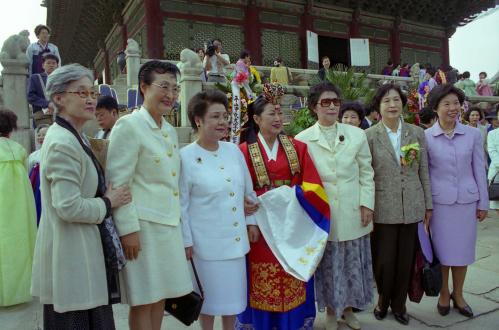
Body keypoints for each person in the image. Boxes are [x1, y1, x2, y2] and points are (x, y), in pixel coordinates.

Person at [31, 64, 132, 329]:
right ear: (58, 98)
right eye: (81, 92)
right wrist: (109, 202)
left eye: (93, 92)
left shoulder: (77, 136)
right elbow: (68, 206)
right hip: (71, 254)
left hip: (83, 250)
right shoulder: (62, 143)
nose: (90, 99)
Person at [106, 60, 194, 330]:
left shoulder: (168, 130)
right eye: (163, 86)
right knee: (143, 300)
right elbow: (119, 183)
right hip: (142, 228)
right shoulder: (129, 126)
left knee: (161, 297)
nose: (170, 95)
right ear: (144, 88)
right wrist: (128, 229)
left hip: (168, 226)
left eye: (175, 89)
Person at [236, 84, 323, 330]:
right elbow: (239, 191)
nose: (278, 118)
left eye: (280, 112)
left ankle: (293, 323)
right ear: (256, 118)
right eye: (271, 113)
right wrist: (249, 219)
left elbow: (313, 186)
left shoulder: (298, 148)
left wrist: (291, 198)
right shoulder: (243, 151)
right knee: (262, 276)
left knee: (291, 270)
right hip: (260, 227)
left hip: (292, 223)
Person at [295, 82, 375, 330]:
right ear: (313, 107)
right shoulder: (302, 139)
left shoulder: (357, 134)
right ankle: (330, 310)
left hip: (353, 208)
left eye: (335, 102)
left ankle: (349, 310)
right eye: (325, 102)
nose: (331, 106)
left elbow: (366, 172)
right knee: (329, 265)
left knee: (352, 263)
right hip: (323, 213)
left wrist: (367, 204)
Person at [180, 90, 259, 330]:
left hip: (234, 243)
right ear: (198, 120)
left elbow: (249, 192)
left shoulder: (233, 151)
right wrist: (186, 241)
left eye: (225, 116)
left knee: (233, 302)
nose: (223, 122)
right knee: (208, 303)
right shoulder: (185, 157)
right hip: (205, 245)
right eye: (215, 117)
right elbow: (181, 204)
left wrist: (252, 220)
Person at [365, 83, 432, 326]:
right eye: (386, 101)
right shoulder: (370, 136)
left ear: (402, 103)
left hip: (412, 205)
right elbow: (366, 174)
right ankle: (383, 300)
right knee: (383, 261)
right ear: (378, 108)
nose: (392, 105)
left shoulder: (416, 133)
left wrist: (428, 205)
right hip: (382, 206)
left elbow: (423, 170)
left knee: (406, 260)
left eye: (396, 100)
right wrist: (367, 208)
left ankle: (400, 305)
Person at [425, 84, 488, 318]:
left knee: (462, 252)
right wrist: (426, 206)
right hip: (440, 205)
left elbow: (479, 170)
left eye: (456, 103)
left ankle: (458, 294)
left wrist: (483, 202)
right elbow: (425, 173)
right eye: (447, 104)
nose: (453, 108)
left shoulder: (473, 134)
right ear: (435, 108)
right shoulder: (426, 137)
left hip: (467, 202)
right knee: (442, 253)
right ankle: (443, 293)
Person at [0, 109, 37, 307]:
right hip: (19, 204)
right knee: (18, 242)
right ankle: (18, 291)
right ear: (11, 129)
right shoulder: (18, 149)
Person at [28, 53, 59, 127]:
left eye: (54, 63)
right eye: (48, 63)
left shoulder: (61, 80)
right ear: (43, 65)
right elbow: (30, 96)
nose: (51, 65)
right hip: (42, 115)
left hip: (59, 115)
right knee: (43, 136)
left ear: (57, 66)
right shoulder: (35, 78)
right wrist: (47, 104)